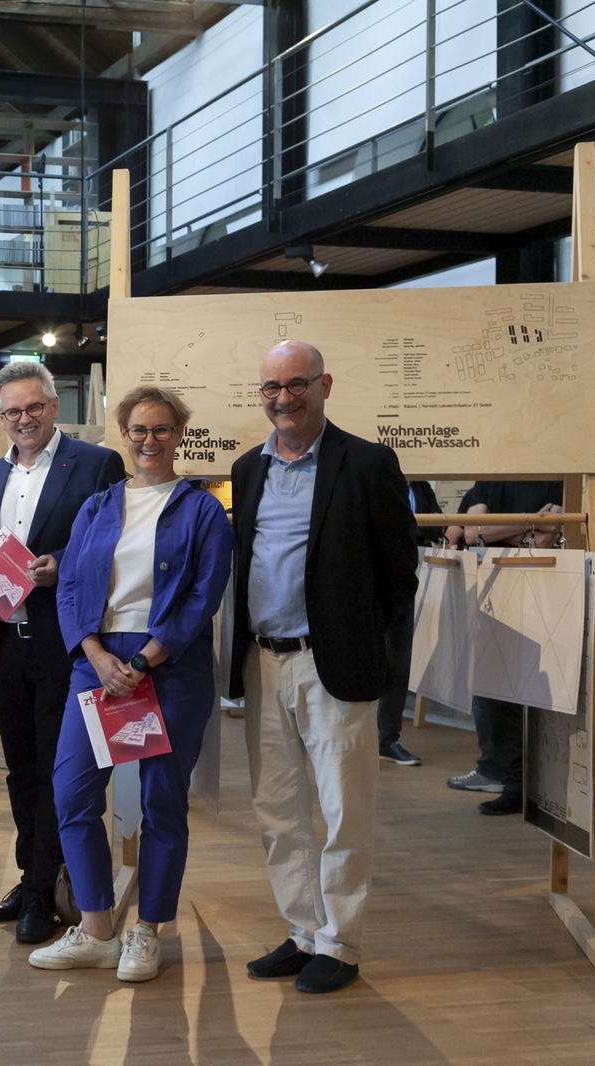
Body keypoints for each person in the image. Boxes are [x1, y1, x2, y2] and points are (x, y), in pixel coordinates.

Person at [230, 339, 418, 995]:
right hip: (263, 662)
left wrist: (356, 636)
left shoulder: (367, 463)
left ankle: (340, 942)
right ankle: (305, 930)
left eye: (296, 385)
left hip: (331, 665)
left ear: (324, 385)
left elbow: (399, 572)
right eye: (271, 387)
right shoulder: (248, 468)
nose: (283, 398)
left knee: (344, 809)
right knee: (278, 810)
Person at [29, 386, 232, 980]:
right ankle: (96, 929)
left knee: (162, 802)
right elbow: (70, 587)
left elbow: (203, 597)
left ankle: (147, 931)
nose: (150, 440)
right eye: (139, 430)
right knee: (72, 795)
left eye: (162, 429)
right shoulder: (97, 507)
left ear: (179, 435)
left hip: (169, 666)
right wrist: (94, 654)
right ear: (123, 435)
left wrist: (144, 661)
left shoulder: (203, 509)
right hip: (97, 663)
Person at [0, 361, 125, 944]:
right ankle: (33, 876)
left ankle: (40, 893)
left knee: (61, 773)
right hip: (4, 638)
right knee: (22, 770)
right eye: (12, 411)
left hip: (66, 642)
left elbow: (112, 543)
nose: (23, 419)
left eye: (33, 407)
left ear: (54, 406)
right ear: (0, 416)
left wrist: (63, 564)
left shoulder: (97, 463)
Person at [443, 480, 565, 815]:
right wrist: (529, 524)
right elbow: (470, 533)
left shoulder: (557, 478)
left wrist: (495, 530)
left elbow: (546, 539)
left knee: (533, 693)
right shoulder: (492, 478)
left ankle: (517, 783)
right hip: (492, 593)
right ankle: (500, 774)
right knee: (490, 692)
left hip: (540, 593)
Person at [376, 480, 442, 768]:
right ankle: (356, 739)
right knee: (366, 660)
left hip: (407, 580)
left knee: (398, 663)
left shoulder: (421, 487)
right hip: (372, 578)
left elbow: (437, 527)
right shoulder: (372, 476)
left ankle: (387, 739)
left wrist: (410, 531)